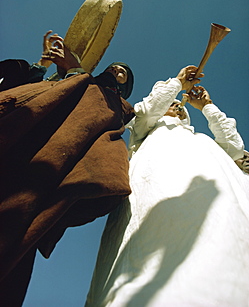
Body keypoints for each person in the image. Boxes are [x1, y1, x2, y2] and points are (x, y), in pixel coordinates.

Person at [85, 65, 249, 307]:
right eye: (169, 101)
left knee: (224, 226)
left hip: (215, 176)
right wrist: (178, 84)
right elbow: (149, 109)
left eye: (178, 104)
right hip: (158, 176)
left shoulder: (201, 141)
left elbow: (234, 148)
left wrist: (207, 107)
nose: (175, 105)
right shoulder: (143, 132)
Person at [0, 35, 134, 306]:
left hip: (37, 171)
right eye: (116, 67)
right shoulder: (79, 80)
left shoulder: (115, 105)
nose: (118, 71)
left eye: (124, 74)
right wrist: (45, 66)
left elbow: (91, 115)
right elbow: (37, 93)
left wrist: (75, 73)